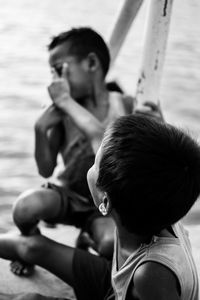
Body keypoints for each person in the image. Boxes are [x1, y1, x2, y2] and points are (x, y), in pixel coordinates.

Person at [0, 114, 199, 300]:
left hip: (124, 288)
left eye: (95, 163)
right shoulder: (160, 201)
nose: (92, 163)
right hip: (114, 283)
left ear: (104, 202)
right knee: (32, 247)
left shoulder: (151, 274)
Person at [10, 27, 136, 276]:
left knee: (111, 245)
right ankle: (30, 243)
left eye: (60, 69)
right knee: (25, 208)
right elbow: (46, 169)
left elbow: (105, 147)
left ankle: (88, 238)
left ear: (91, 62)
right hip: (69, 196)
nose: (55, 81)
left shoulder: (125, 104)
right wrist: (39, 128)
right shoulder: (61, 113)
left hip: (104, 204)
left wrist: (67, 103)